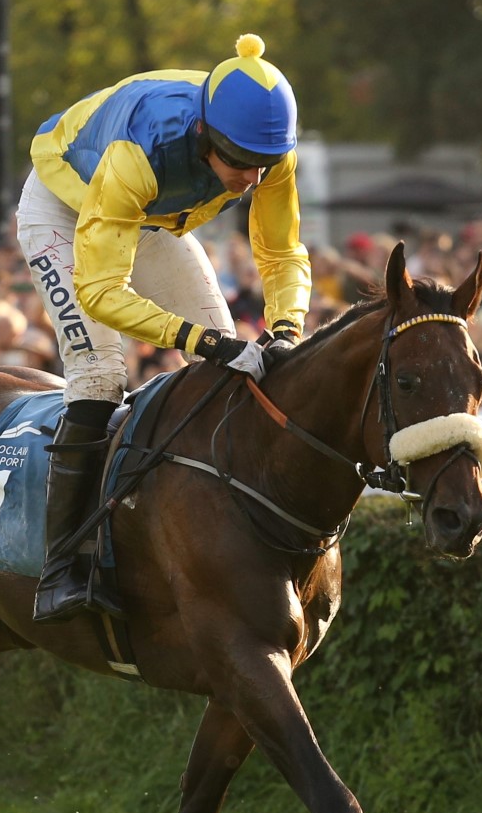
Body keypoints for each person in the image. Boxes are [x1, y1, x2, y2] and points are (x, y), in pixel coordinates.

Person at [17, 34, 309, 620]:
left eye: (263, 166)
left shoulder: (266, 151)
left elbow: (282, 254)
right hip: (65, 208)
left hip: (146, 218)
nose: (251, 180)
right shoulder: (142, 149)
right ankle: (60, 568)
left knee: (231, 377)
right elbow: (99, 292)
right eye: (239, 163)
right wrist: (200, 339)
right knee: (100, 374)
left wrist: (286, 328)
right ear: (204, 136)